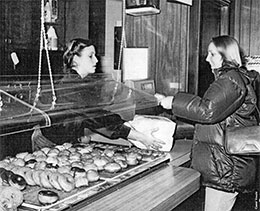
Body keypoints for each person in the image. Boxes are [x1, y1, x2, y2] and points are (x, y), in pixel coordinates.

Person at [155, 35, 258, 211]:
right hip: (224, 164)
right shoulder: (232, 78)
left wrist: (173, 101)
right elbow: (219, 120)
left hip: (225, 168)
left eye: (212, 54)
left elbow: (207, 111)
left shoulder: (230, 79)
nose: (207, 58)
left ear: (224, 56)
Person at [41, 38, 165, 150]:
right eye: (90, 56)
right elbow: (98, 119)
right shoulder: (71, 85)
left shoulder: (82, 82)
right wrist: (139, 136)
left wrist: (129, 126)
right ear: (76, 59)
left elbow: (99, 113)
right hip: (49, 143)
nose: (96, 60)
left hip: (65, 142)